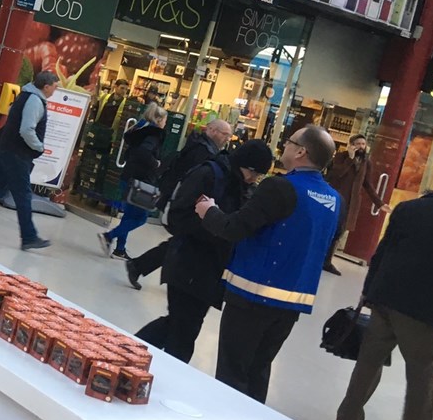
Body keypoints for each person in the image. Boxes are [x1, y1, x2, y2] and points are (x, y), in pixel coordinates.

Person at [332, 165, 433, 420]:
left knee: (369, 360)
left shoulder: (407, 208)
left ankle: (346, 419)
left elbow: (383, 250)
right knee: (424, 372)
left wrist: (369, 290)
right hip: (424, 310)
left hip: (384, 298)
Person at [194, 124, 340, 403]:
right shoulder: (334, 199)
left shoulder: (280, 187)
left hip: (252, 294)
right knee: (259, 369)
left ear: (301, 151)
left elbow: (234, 227)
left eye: (290, 141)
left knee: (232, 370)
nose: (284, 145)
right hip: (292, 302)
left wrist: (208, 211)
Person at [137, 141, 274, 362]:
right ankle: (148, 360)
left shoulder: (241, 186)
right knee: (183, 331)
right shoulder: (209, 175)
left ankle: (129, 349)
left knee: (181, 325)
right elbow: (177, 217)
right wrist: (217, 227)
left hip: (210, 271)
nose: (253, 178)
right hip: (187, 263)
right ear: (243, 163)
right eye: (253, 172)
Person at [126, 118, 234, 289]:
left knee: (180, 242)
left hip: (183, 203)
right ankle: (142, 267)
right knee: (181, 242)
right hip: (183, 205)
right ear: (212, 130)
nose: (227, 139)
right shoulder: (202, 151)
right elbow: (191, 179)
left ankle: (140, 266)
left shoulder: (200, 146)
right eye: (225, 134)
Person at [0, 70, 58, 252]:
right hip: (18, 154)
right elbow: (26, 130)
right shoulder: (34, 101)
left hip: (9, 150)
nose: (55, 90)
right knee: (23, 195)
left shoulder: (26, 95)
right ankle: (29, 237)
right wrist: (39, 146)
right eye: (54, 86)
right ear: (46, 87)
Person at [98, 103, 168, 259]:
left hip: (128, 176)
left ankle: (120, 249)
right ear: (158, 120)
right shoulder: (154, 134)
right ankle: (109, 236)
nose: (165, 124)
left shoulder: (140, 130)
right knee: (141, 218)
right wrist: (155, 163)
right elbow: (144, 152)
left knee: (129, 214)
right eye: (164, 120)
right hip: (141, 180)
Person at [323, 133, 390, 275]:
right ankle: (318, 256)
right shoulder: (341, 157)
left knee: (339, 232)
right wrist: (350, 159)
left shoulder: (366, 162)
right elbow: (336, 174)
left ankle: (327, 261)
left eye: (363, 144)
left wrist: (379, 203)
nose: (361, 147)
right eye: (358, 144)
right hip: (336, 198)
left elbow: (367, 184)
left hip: (352, 203)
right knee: (327, 227)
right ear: (351, 145)